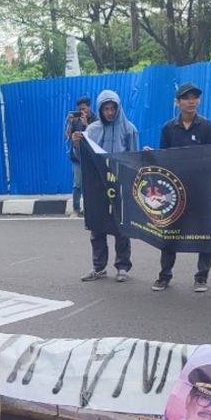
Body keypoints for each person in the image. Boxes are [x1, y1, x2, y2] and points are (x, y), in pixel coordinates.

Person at [152, 82, 211, 293]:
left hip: (202, 190)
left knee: (205, 233)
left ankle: (201, 277)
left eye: (195, 97)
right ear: (177, 102)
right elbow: (162, 159)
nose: (191, 101)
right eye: (186, 98)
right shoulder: (168, 128)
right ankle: (164, 276)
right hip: (175, 192)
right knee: (169, 233)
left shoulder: (208, 127)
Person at [80, 89, 136, 283]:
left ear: (118, 108)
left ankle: (122, 266)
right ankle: (99, 267)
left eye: (113, 108)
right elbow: (83, 158)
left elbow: (134, 159)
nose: (110, 112)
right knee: (97, 227)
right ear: (100, 109)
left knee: (121, 228)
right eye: (106, 109)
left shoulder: (129, 129)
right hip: (97, 186)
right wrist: (76, 143)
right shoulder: (92, 131)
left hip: (119, 185)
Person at [66, 95, 94, 216]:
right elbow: (67, 137)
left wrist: (86, 124)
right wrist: (70, 123)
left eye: (84, 109)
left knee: (90, 184)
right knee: (77, 183)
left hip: (91, 158)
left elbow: (97, 136)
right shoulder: (75, 120)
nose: (82, 111)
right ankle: (76, 209)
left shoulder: (96, 119)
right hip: (77, 157)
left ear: (89, 107)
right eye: (80, 109)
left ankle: (90, 209)